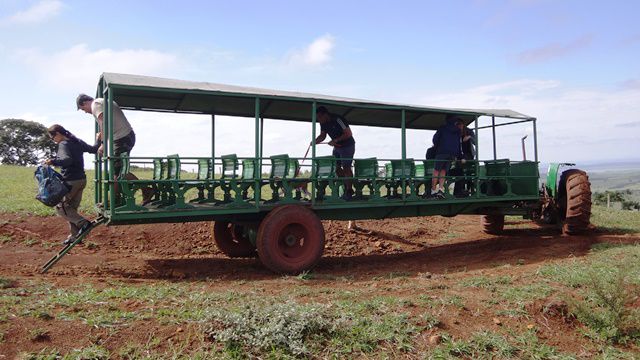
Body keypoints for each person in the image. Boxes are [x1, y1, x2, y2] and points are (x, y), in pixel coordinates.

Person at [45, 125, 98, 244]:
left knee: (60, 207)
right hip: (81, 180)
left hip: (70, 181)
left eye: (52, 136)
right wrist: (99, 140)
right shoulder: (77, 141)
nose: (53, 139)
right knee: (71, 209)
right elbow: (94, 149)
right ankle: (75, 237)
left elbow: (67, 160)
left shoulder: (63, 144)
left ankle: (84, 223)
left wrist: (52, 161)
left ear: (58, 133)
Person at [76, 94, 135, 177]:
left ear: (85, 102)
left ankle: (114, 190)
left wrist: (103, 144)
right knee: (120, 171)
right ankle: (145, 189)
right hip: (125, 136)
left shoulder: (95, 105)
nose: (85, 112)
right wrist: (102, 134)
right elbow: (107, 123)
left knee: (116, 172)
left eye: (83, 109)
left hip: (122, 138)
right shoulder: (102, 102)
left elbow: (104, 123)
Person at [314, 106, 356, 200]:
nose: (319, 120)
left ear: (325, 115)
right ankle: (346, 186)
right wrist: (315, 141)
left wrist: (336, 140)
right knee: (336, 167)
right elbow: (322, 136)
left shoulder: (338, 119)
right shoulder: (323, 123)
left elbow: (348, 133)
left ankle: (349, 190)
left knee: (346, 167)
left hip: (347, 146)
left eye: (319, 117)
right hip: (337, 147)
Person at [429, 114, 463, 198]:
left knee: (436, 171)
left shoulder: (442, 128)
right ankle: (441, 189)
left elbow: (435, 139)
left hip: (442, 152)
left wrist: (437, 147)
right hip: (452, 154)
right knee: (443, 171)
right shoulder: (457, 130)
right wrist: (459, 155)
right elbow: (459, 144)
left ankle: (433, 191)